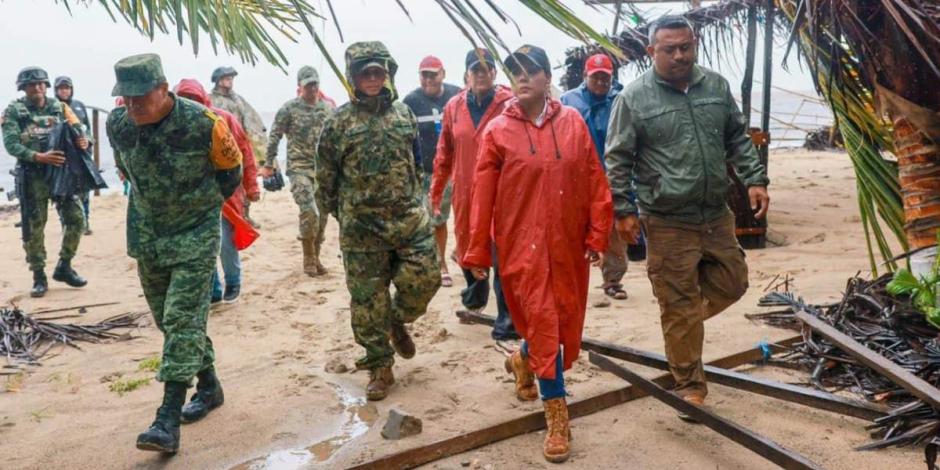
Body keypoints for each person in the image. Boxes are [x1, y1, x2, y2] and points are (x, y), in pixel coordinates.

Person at [605, 16, 770, 417]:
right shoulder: (634, 98)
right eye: (669, 49)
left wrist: (754, 179)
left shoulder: (715, 86)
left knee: (734, 281)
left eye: (686, 46)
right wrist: (623, 210)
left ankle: (681, 325)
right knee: (677, 301)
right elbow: (617, 158)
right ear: (651, 52)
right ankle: (689, 384)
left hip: (715, 214)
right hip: (667, 220)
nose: (680, 55)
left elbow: (736, 136)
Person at [463, 44, 612, 463]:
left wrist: (597, 235)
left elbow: (594, 179)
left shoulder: (574, 124)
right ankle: (557, 418)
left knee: (563, 322)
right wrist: (476, 251)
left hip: (566, 244)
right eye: (515, 72)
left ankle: (521, 359)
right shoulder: (497, 132)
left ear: (549, 78)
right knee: (545, 321)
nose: (522, 78)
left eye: (532, 70)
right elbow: (481, 198)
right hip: (520, 248)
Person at [106, 53, 242, 453]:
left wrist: (197, 208)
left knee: (183, 318)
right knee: (171, 321)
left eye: (140, 98)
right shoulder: (119, 125)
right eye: (125, 99)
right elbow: (126, 170)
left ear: (163, 89)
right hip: (147, 236)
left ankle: (167, 418)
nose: (132, 107)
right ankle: (210, 385)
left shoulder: (204, 125)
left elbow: (229, 174)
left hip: (195, 236)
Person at [317, 41, 441, 401]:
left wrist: (416, 202)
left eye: (378, 71)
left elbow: (416, 163)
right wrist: (340, 217)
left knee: (425, 280)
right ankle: (379, 366)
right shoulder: (338, 121)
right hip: (361, 230)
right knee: (367, 301)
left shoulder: (403, 115)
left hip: (407, 221)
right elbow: (324, 179)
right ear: (353, 78)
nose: (372, 78)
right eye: (364, 72)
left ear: (387, 74)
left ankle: (396, 319)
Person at [430, 48, 519, 344]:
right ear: (466, 75)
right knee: (469, 247)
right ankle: (475, 291)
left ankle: (507, 320)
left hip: (502, 194)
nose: (481, 75)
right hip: (466, 193)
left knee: (502, 254)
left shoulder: (510, 103)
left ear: (494, 73)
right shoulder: (453, 107)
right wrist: (436, 190)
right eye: (475, 70)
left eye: (486, 69)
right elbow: (444, 153)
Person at [2, 67, 90, 297]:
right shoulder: (15, 111)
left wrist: (85, 141)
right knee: (34, 228)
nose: (38, 88)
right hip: (32, 175)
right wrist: (37, 156)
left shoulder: (59, 107)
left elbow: (80, 129)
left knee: (77, 219)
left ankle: (64, 265)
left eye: (42, 83)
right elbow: (11, 144)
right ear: (24, 88)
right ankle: (38, 275)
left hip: (60, 173)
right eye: (32, 85)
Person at [174, 78, 261, 304]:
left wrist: (252, 186)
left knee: (224, 239)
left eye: (193, 99)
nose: (190, 104)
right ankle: (213, 288)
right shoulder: (174, 126)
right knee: (201, 243)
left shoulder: (223, 119)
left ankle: (233, 281)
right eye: (185, 99)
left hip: (225, 192)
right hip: (193, 195)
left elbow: (245, 152)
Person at [560, 54, 631, 301]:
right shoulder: (568, 101)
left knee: (613, 230)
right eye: (596, 77)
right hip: (577, 176)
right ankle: (571, 277)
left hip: (611, 173)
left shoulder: (620, 99)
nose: (601, 82)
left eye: (605, 77)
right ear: (585, 76)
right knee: (574, 227)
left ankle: (613, 280)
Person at [266, 66, 334, 276]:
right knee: (309, 211)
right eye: (308, 85)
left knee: (322, 215)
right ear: (300, 86)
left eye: (315, 84)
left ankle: (317, 255)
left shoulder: (328, 109)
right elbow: (275, 135)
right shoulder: (289, 109)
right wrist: (269, 163)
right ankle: (308, 258)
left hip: (321, 170)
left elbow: (336, 139)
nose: (312, 88)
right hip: (298, 168)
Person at [403, 55, 461, 288]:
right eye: (424, 74)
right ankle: (441, 265)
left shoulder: (457, 95)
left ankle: (462, 252)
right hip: (430, 172)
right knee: (437, 220)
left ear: (443, 74)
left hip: (459, 170)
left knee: (469, 218)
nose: (428, 79)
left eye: (433, 74)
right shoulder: (411, 101)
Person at [211, 66, 267, 228]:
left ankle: (244, 215)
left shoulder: (238, 100)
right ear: (219, 81)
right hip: (221, 148)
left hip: (239, 146)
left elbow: (252, 122)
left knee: (242, 181)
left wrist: (259, 150)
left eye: (231, 79)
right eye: (227, 79)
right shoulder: (211, 100)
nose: (230, 82)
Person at [54, 76, 95, 235]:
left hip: (81, 156)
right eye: (61, 88)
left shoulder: (79, 106)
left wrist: (88, 141)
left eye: (67, 88)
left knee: (84, 190)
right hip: (62, 158)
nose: (64, 91)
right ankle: (66, 223)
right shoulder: (52, 107)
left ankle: (85, 223)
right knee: (63, 193)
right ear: (56, 90)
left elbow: (88, 130)